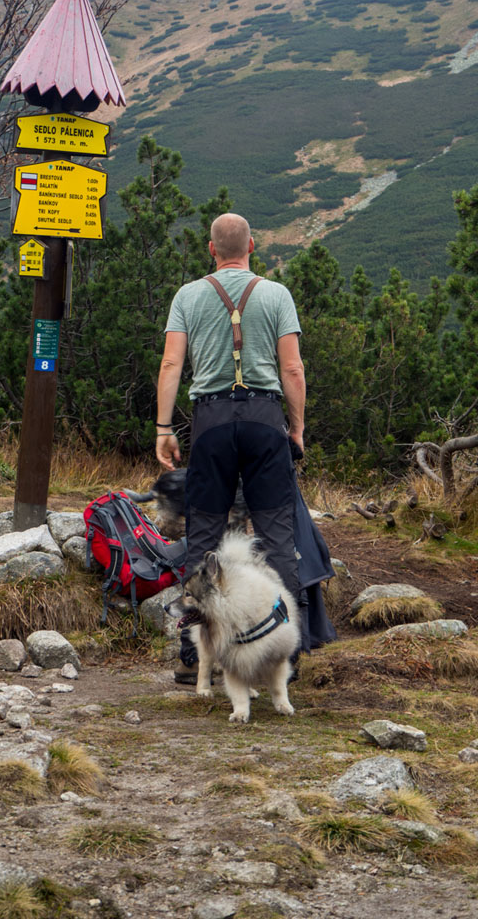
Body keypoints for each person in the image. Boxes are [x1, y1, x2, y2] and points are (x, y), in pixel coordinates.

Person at [155, 212, 306, 683]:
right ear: (253, 246)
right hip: (264, 420)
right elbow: (293, 369)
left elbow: (171, 363)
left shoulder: (188, 295)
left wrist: (164, 427)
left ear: (211, 249)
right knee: (278, 536)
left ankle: (194, 658)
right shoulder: (277, 294)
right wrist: (296, 428)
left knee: (203, 534)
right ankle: (284, 658)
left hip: (211, 421)